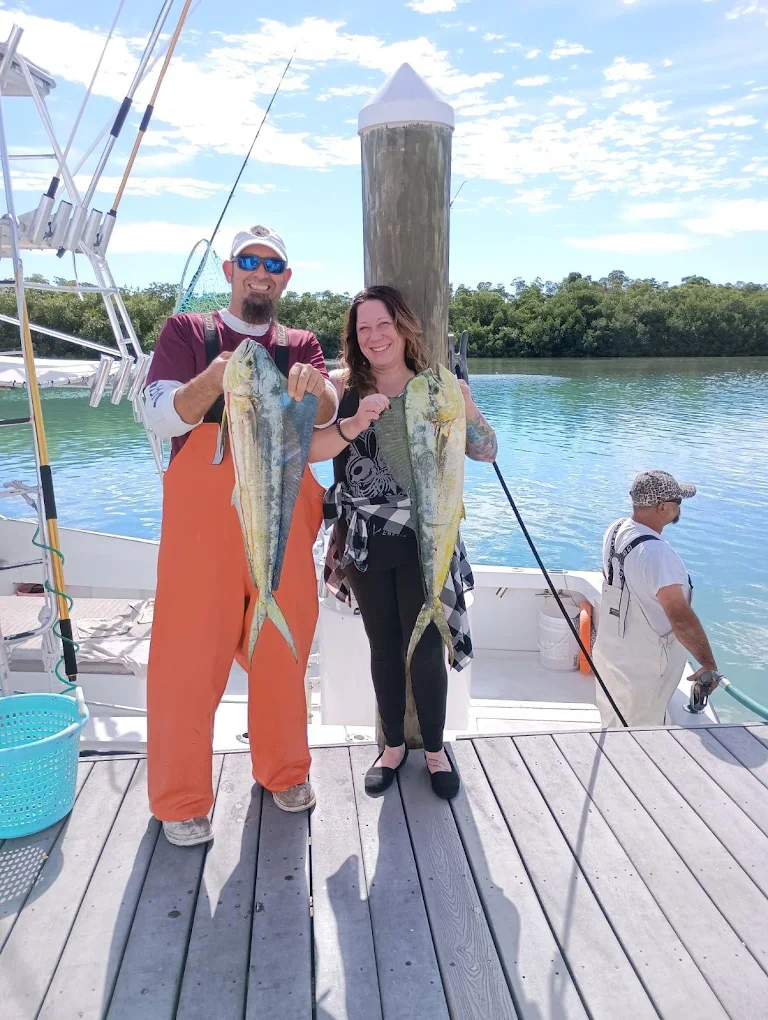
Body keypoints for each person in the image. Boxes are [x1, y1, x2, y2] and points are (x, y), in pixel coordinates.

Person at [143, 225, 339, 846]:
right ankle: (180, 799)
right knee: (187, 661)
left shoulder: (299, 343)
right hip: (203, 537)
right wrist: (216, 380)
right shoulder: (186, 332)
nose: (261, 272)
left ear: (285, 278)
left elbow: (329, 407)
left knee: (284, 651)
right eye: (249, 261)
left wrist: (321, 388)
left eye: (273, 264)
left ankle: (284, 770)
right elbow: (155, 410)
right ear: (229, 270)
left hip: (281, 522)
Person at [310, 285, 497, 799]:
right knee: (384, 646)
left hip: (426, 540)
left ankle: (435, 750)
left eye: (383, 324)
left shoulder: (437, 388)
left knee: (426, 647)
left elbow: (486, 451)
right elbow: (309, 448)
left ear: (404, 327)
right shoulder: (340, 388)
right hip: (366, 542)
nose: (374, 337)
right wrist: (351, 421)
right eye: (363, 328)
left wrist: (470, 409)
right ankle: (392, 746)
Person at [592, 469, 720, 728]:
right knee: (643, 736)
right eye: (678, 502)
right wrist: (708, 664)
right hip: (644, 666)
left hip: (612, 650)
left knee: (614, 718)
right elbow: (681, 619)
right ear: (663, 508)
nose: (680, 507)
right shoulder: (657, 555)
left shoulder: (616, 529)